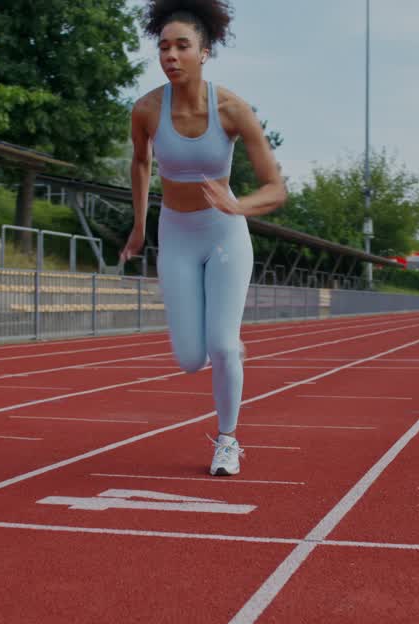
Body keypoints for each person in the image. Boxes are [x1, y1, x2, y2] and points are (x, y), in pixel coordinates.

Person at [120, 0, 287, 476]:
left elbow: (275, 188)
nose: (170, 55)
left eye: (182, 46)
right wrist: (139, 224)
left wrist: (239, 206)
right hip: (175, 232)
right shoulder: (147, 110)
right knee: (191, 358)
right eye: (163, 47)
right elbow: (140, 162)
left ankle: (228, 440)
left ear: (205, 52)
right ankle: (224, 347)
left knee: (223, 345)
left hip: (223, 234)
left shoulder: (233, 109)